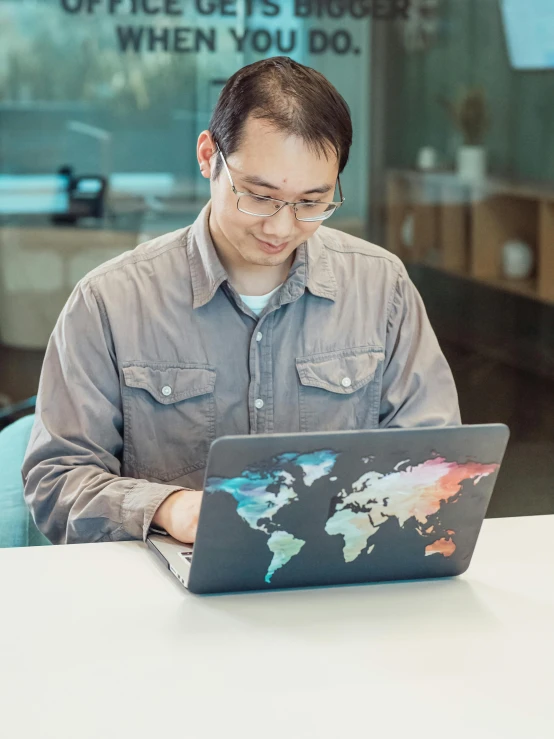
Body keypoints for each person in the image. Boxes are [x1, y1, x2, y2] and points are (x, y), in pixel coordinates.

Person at [23, 56, 460, 546]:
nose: (281, 227)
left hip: (339, 576)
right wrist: (169, 507)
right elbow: (56, 480)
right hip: (170, 591)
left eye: (312, 202)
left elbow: (435, 460)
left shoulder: (382, 288)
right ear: (209, 156)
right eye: (258, 195)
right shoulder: (110, 302)